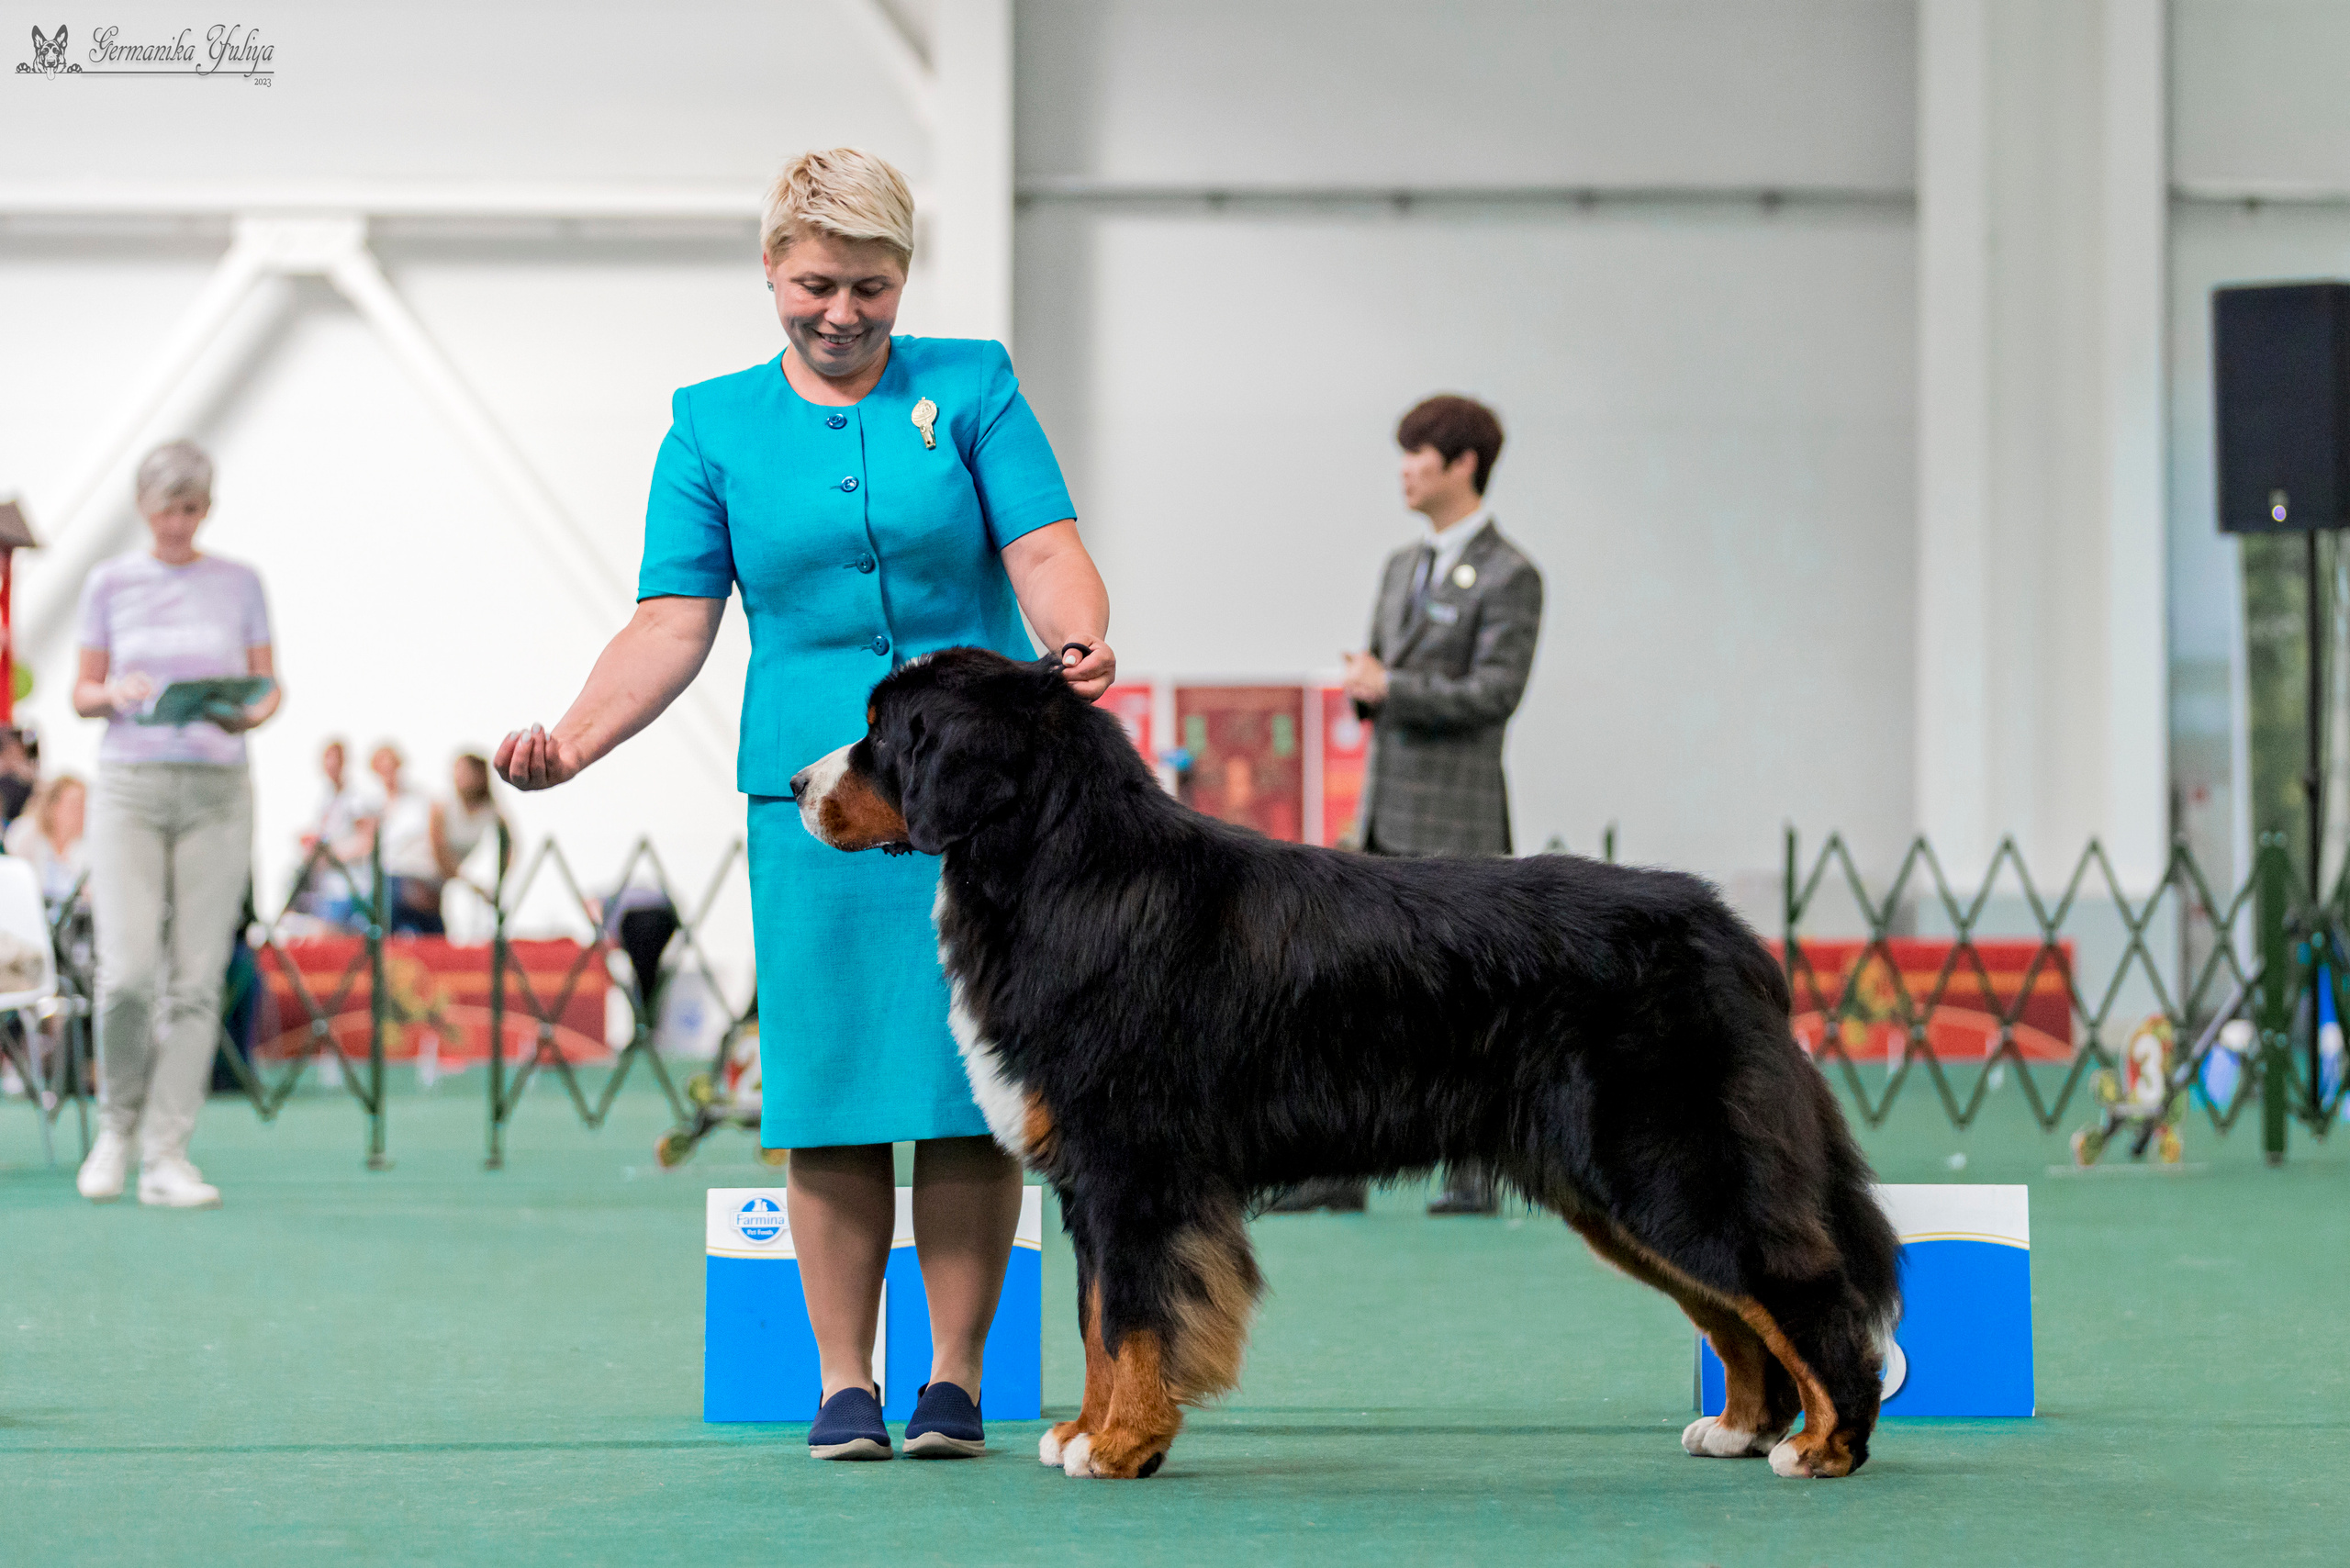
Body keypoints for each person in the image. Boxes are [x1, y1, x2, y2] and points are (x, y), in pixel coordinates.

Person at [495, 148, 1113, 1462]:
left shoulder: (976, 384)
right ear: (770, 270)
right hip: (816, 799)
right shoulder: (710, 424)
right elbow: (671, 622)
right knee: (829, 1089)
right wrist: (576, 742)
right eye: (818, 284)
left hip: (977, 796)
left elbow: (1045, 547)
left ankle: (952, 1381)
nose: (844, 313)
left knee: (967, 1088)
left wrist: (1075, 642)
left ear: (906, 280)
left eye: (873, 288)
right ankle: (844, 1384)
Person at [1272, 393, 1544, 1218]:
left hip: (1458, 817)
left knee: (1465, 999)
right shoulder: (1401, 566)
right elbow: (1386, 679)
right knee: (1353, 997)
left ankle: (1475, 1164)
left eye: (1418, 454)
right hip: (1386, 813)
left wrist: (1391, 685)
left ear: (1462, 464)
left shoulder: (1511, 574)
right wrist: (1369, 688)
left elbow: (1496, 694)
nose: (1405, 469)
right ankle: (1338, 1163)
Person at [70, 438, 281, 1209]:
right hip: (130, 782)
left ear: (207, 508)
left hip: (218, 787)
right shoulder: (109, 582)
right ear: (143, 507)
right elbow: (80, 692)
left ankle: (168, 1154)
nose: (178, 523)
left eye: (192, 509)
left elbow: (269, 688)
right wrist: (115, 690)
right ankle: (114, 1132)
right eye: (167, 509)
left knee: (196, 980)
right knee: (125, 973)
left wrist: (244, 710)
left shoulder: (241, 582)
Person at [377, 752, 505, 937]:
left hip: (434, 887)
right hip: (404, 879)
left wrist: (500, 880)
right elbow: (440, 855)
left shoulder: (490, 811)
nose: (457, 777)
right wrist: (474, 887)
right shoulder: (441, 806)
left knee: (435, 947)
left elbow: (510, 845)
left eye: (464, 772)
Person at [292, 738, 370, 924]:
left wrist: (332, 852)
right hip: (326, 887)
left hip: (348, 886)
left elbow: (366, 841)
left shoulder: (355, 798)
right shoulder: (326, 797)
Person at [6, 772, 90, 906]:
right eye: (74, 805)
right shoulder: (26, 834)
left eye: (84, 806)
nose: (81, 812)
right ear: (53, 806)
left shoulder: (87, 847)